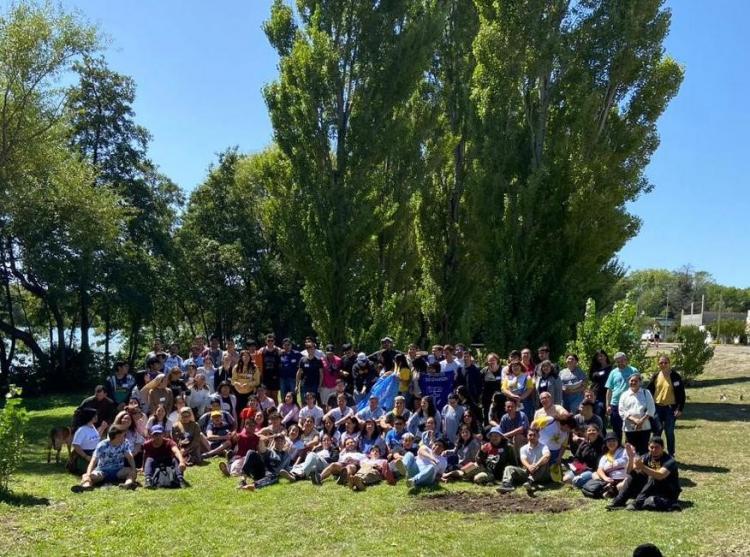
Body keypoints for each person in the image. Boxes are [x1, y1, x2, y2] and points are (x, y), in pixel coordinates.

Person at [608, 437, 681, 511]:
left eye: (657, 447)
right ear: (648, 447)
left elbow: (660, 475)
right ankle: (619, 501)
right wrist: (631, 458)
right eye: (652, 447)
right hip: (652, 488)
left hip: (668, 491)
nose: (654, 450)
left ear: (663, 448)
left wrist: (643, 467)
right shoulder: (647, 456)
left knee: (653, 479)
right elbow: (629, 471)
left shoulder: (669, 461)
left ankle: (638, 503)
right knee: (633, 475)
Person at [71, 426, 137, 492]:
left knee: (132, 471)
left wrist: (133, 469)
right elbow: (93, 461)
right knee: (88, 475)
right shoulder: (102, 445)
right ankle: (86, 486)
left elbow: (130, 458)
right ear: (117, 436)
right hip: (102, 471)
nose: (124, 437)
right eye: (123, 435)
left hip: (119, 471)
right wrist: (88, 474)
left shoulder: (125, 443)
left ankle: (128, 484)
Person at [646, 355, 685, 456]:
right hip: (657, 407)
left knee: (669, 431)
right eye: (661, 363)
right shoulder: (656, 376)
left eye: (665, 363)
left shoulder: (675, 376)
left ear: (669, 363)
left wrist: (679, 408)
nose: (663, 365)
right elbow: (648, 390)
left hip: (670, 408)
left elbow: (681, 394)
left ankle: (671, 454)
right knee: (657, 431)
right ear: (658, 364)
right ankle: (654, 453)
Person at [497, 428, 551, 494]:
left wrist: (536, 465)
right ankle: (507, 485)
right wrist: (529, 467)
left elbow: (547, 456)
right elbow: (523, 459)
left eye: (534, 435)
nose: (532, 437)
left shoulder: (544, 446)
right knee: (509, 468)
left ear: (538, 436)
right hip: (528, 471)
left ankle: (530, 481)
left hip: (541, 474)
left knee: (544, 462)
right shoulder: (523, 448)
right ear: (527, 436)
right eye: (530, 435)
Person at [581, 432, 628, 499]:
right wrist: (605, 478)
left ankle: (611, 490)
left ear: (618, 442)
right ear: (606, 443)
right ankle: (607, 488)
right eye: (609, 441)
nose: (611, 443)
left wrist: (613, 464)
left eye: (614, 440)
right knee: (595, 474)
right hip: (610, 480)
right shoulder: (604, 456)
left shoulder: (624, 451)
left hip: (623, 478)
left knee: (623, 484)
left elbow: (626, 461)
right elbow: (599, 469)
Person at [619, 374, 656, 455]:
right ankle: (631, 466)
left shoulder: (646, 393)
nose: (633, 382)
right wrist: (634, 420)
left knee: (643, 449)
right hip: (629, 427)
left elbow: (651, 409)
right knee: (631, 449)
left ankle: (643, 466)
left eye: (636, 381)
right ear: (628, 382)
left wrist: (641, 421)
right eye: (631, 380)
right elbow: (622, 410)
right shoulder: (624, 395)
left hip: (645, 426)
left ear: (640, 382)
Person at [606, 352, 638, 443]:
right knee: (616, 429)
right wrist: (608, 405)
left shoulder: (633, 370)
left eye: (622, 361)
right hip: (615, 403)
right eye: (617, 362)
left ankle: (629, 448)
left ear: (626, 360)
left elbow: (639, 386)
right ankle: (618, 448)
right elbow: (609, 390)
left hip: (630, 403)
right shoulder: (613, 372)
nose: (620, 363)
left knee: (630, 428)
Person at [563, 424, 604, 489]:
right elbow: (577, 457)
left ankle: (589, 480)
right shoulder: (584, 443)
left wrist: (585, 468)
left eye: (594, 430)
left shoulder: (603, 445)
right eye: (589, 430)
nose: (591, 432)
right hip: (581, 468)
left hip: (593, 470)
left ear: (598, 432)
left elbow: (600, 463)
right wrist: (576, 466)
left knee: (576, 482)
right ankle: (586, 480)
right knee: (566, 479)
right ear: (586, 433)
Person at [69, 408, 103, 475]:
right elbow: (76, 445)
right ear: (89, 417)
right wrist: (86, 456)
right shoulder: (82, 430)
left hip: (94, 453)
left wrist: (102, 428)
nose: (97, 417)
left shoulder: (92, 426)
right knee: (94, 472)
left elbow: (95, 439)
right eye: (95, 415)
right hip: (84, 454)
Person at [588, 350, 612, 421]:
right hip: (594, 393)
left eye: (601, 355)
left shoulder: (611, 369)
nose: (600, 358)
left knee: (600, 411)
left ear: (605, 356)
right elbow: (591, 379)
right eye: (598, 356)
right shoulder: (595, 368)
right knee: (593, 412)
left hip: (605, 394)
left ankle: (601, 430)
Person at [259, 334, 282, 402]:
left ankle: (275, 412)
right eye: (268, 340)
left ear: (274, 341)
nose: (270, 342)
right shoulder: (262, 350)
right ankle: (268, 412)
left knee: (275, 396)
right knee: (267, 396)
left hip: (275, 377)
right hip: (265, 377)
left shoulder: (278, 350)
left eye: (272, 340)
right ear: (266, 341)